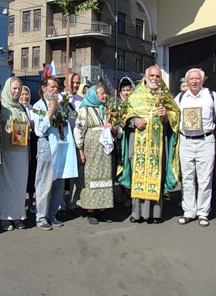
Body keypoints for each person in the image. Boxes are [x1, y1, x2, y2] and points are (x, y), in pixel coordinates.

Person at [118, 65, 180, 223]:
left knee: (156, 175)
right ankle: (136, 213)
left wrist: (166, 116)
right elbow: (124, 114)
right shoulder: (135, 95)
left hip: (158, 145)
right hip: (137, 143)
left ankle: (156, 213)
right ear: (145, 77)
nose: (154, 79)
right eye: (152, 76)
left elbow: (176, 114)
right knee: (137, 175)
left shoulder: (164, 95)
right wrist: (133, 120)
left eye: (158, 76)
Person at [176, 68, 216, 227]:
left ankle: (203, 213)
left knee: (205, 178)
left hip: (205, 141)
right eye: (191, 79)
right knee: (187, 178)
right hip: (186, 141)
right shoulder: (181, 97)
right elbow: (173, 117)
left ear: (202, 80)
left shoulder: (211, 96)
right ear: (187, 81)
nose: (194, 81)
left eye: (197, 79)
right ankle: (189, 211)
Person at [32, 77, 78, 230]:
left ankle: (53, 213)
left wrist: (64, 106)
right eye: (51, 86)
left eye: (56, 87)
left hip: (60, 146)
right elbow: (40, 130)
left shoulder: (60, 105)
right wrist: (50, 111)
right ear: (43, 88)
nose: (54, 89)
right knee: (45, 183)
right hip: (46, 146)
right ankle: (41, 216)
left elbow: (68, 120)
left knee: (58, 184)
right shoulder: (38, 106)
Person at [73, 85, 122, 224]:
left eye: (106, 93)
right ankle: (90, 211)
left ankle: (102, 210)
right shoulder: (85, 110)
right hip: (91, 152)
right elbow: (79, 131)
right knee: (91, 178)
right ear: (94, 95)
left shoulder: (108, 110)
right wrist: (80, 150)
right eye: (102, 93)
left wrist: (113, 128)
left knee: (105, 178)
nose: (105, 96)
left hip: (106, 154)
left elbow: (119, 128)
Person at [0, 77, 30, 231]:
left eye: (19, 89)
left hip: (21, 154)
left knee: (20, 187)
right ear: (8, 88)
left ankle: (18, 216)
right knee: (5, 186)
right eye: (14, 88)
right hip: (6, 153)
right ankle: (5, 217)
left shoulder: (21, 108)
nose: (17, 92)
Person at [58, 72, 83, 217]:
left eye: (77, 83)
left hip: (76, 140)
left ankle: (73, 202)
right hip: (63, 140)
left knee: (75, 174)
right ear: (66, 83)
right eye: (72, 82)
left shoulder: (81, 100)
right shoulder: (60, 98)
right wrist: (63, 103)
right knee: (62, 174)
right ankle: (60, 203)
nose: (75, 85)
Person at [117, 76, 136, 208]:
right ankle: (123, 192)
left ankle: (132, 194)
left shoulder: (135, 104)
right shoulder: (116, 105)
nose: (126, 93)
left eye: (128, 90)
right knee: (121, 164)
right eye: (123, 90)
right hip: (119, 139)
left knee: (132, 163)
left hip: (132, 137)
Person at [20, 85, 37, 214]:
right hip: (20, 142)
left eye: (26, 94)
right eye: (22, 94)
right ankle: (21, 202)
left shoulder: (34, 109)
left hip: (33, 141)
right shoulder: (16, 109)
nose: (24, 96)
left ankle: (31, 201)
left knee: (32, 173)